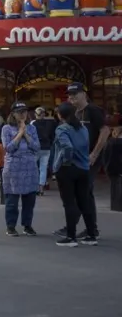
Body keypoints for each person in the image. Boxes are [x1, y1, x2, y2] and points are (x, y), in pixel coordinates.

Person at [55, 83, 108, 240]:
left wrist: (94, 154)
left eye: (75, 94)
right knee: (82, 192)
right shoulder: (73, 113)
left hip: (89, 157)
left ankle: (86, 228)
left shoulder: (93, 110)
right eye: (69, 95)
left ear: (84, 94)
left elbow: (105, 131)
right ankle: (83, 227)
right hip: (77, 158)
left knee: (84, 192)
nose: (72, 97)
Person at [51, 102, 98, 247]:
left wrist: (64, 162)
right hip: (84, 167)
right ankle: (91, 235)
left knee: (69, 203)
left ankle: (71, 237)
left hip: (68, 169)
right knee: (84, 202)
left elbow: (67, 147)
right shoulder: (83, 128)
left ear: (60, 115)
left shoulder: (62, 129)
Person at [1, 102, 40, 237]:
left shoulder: (32, 128)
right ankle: (11, 226)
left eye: (24, 111)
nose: (23, 114)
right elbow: (8, 148)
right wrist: (20, 134)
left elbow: (36, 147)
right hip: (14, 168)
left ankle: (27, 225)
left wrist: (26, 134)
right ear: (13, 114)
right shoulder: (6, 128)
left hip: (30, 166)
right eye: (19, 112)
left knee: (29, 199)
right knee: (12, 200)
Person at [32, 106, 57, 194]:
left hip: (35, 148)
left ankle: (34, 187)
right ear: (43, 114)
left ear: (35, 114)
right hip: (46, 148)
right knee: (43, 168)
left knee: (33, 167)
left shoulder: (33, 124)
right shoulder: (50, 123)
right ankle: (41, 188)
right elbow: (53, 136)